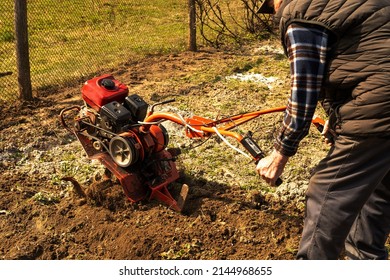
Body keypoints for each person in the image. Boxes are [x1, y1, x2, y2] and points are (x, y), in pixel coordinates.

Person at [256, 0, 390, 259]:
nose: (274, 13)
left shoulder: (302, 13)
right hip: (379, 104)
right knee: (378, 188)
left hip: (380, 105)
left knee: (327, 191)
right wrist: (338, 113)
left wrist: (279, 153)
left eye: (270, 6)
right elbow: (366, 56)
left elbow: (305, 86)